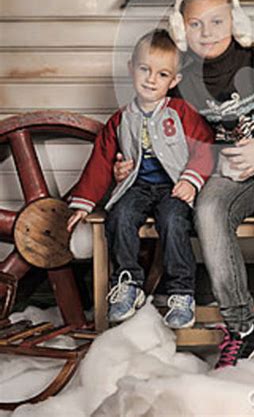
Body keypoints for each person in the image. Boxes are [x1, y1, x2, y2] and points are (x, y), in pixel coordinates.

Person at [115, 0, 254, 401]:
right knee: (209, 215)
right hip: (229, 169)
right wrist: (130, 162)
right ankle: (243, 326)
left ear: (235, 22)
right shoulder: (181, 79)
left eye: (217, 21)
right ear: (181, 30)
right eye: (195, 24)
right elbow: (163, 135)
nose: (207, 31)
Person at [66, 28, 214, 328]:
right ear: (131, 68)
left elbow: (205, 146)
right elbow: (101, 161)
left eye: (162, 75)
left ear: (174, 81)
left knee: (173, 222)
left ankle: (181, 292)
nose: (150, 79)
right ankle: (128, 283)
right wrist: (83, 203)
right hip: (137, 186)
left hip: (173, 186)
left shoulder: (181, 113)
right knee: (119, 217)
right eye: (144, 69)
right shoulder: (121, 119)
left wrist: (191, 179)